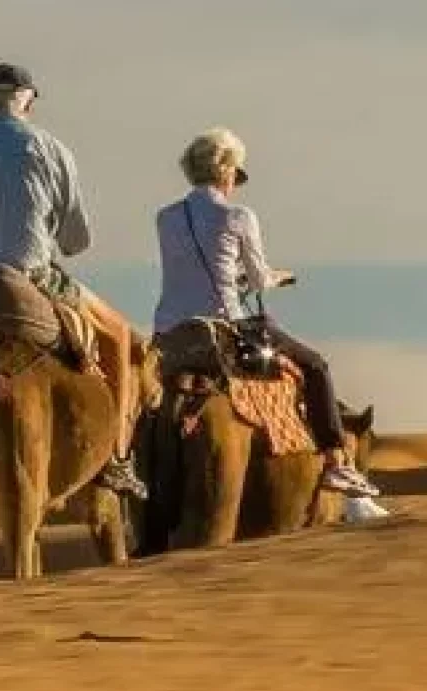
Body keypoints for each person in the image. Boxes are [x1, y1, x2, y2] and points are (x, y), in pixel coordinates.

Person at [0, 64, 146, 496]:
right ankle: (118, 458)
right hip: (33, 275)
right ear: (28, 100)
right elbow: (75, 241)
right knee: (120, 336)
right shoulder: (51, 148)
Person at [153, 128, 379, 501]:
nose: (235, 184)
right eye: (235, 174)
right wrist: (280, 276)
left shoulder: (165, 218)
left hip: (170, 332)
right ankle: (337, 462)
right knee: (316, 366)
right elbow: (258, 279)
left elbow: (189, 269)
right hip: (225, 326)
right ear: (225, 170)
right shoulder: (239, 216)